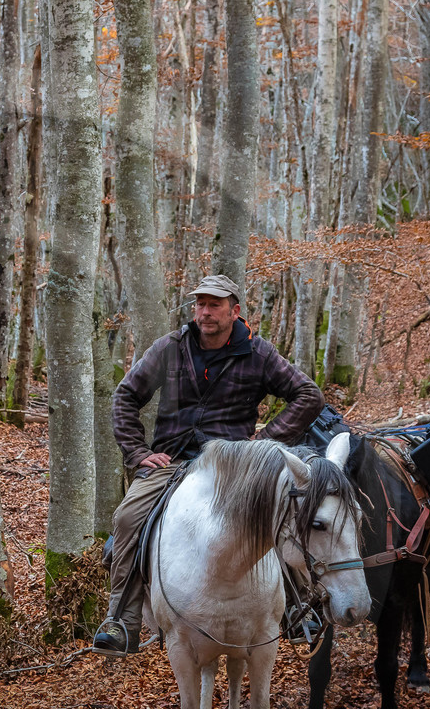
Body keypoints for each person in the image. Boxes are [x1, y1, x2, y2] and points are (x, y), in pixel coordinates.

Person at [91, 273, 324, 654]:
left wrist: (263, 444)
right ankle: (122, 619)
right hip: (172, 458)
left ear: (234, 311)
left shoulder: (258, 353)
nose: (205, 312)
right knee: (128, 517)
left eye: (214, 305)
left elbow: (307, 395)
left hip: (233, 464)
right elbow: (125, 397)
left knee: (278, 508)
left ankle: (298, 608)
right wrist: (137, 452)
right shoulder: (170, 348)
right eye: (200, 304)